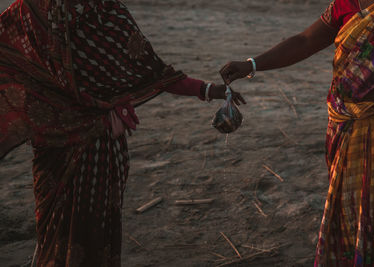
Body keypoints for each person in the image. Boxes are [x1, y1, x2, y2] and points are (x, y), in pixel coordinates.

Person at [0, 0, 245, 266]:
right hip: (94, 147)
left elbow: (9, 56)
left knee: (55, 227)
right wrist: (208, 89)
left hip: (56, 139)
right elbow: (150, 71)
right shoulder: (101, 10)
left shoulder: (30, 11)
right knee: (85, 233)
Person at [220, 0, 374, 265]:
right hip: (345, 126)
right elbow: (305, 41)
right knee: (351, 209)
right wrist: (252, 64)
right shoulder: (345, 4)